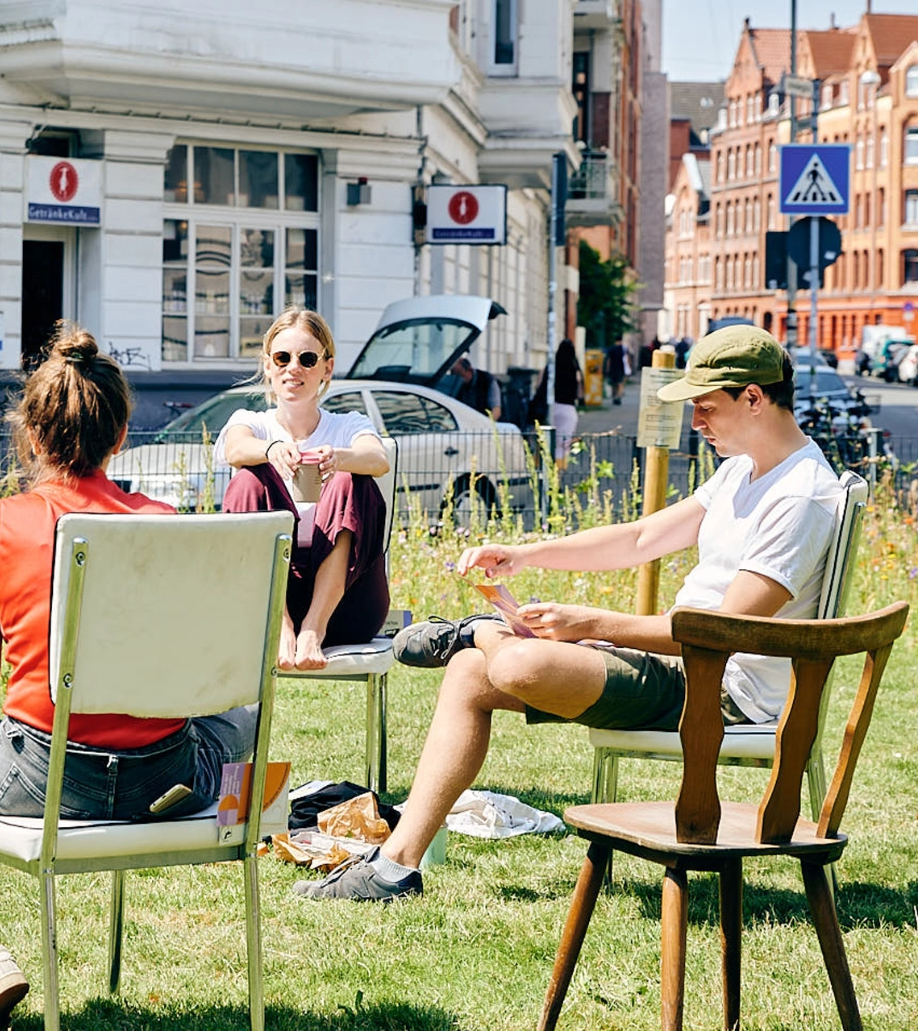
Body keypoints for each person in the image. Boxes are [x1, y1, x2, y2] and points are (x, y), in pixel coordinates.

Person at [292, 325, 841, 903]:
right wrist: (524, 554)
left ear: (754, 398)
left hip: (719, 693)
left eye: (706, 407)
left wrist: (591, 626)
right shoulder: (744, 469)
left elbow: (723, 633)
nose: (697, 423)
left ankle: (483, 633)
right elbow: (638, 539)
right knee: (470, 674)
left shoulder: (801, 495)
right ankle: (394, 866)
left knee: (517, 664)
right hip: (685, 669)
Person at [0, 326, 260, 1030]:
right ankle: (241, 827)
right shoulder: (168, 523)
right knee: (246, 716)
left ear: (28, 433)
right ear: (120, 435)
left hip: (42, 778)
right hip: (168, 781)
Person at [215, 306, 392, 671]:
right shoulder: (251, 423)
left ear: (326, 368)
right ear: (268, 365)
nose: (293, 368)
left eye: (307, 358)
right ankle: (282, 626)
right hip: (270, 602)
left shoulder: (347, 425)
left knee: (349, 478)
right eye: (282, 357)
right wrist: (270, 450)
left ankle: (313, 626)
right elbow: (235, 449)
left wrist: (339, 458)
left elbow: (377, 459)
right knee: (249, 476)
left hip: (348, 604)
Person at [532, 338, 583, 470]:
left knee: (545, 442)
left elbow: (539, 387)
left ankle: (544, 475)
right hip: (568, 411)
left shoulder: (549, 368)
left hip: (551, 409)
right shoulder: (575, 370)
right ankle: (557, 477)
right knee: (563, 445)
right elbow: (580, 394)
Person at [449, 354, 503, 421]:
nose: (459, 380)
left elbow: (496, 410)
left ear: (469, 371)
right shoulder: (455, 386)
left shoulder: (487, 381)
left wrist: (487, 424)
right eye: (455, 375)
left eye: (460, 375)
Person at [605, 340, 628, 405]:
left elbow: (608, 360)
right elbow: (626, 358)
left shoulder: (611, 349)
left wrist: (607, 369)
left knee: (613, 384)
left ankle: (614, 396)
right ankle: (618, 397)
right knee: (620, 383)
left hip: (612, 368)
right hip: (620, 368)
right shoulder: (623, 349)